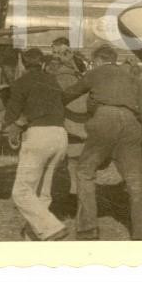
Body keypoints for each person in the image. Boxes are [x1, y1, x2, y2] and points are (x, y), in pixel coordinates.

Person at [60, 44, 142, 240]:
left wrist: (54, 102)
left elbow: (71, 93)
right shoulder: (133, 78)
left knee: (84, 172)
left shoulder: (96, 72)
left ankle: (88, 228)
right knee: (135, 180)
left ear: (99, 60)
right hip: (131, 122)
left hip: (105, 119)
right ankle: (141, 233)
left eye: (94, 62)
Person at [1, 47, 70, 241]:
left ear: (22, 62)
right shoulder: (52, 81)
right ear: (42, 62)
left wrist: (8, 127)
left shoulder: (21, 82)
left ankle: (52, 228)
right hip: (60, 135)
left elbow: (12, 115)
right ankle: (34, 237)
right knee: (42, 192)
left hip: (39, 136)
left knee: (21, 192)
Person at [45, 36, 88, 197]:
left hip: (73, 115)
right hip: (61, 115)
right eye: (54, 51)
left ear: (68, 49)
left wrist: (71, 62)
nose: (57, 54)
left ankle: (73, 190)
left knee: (74, 154)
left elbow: (83, 77)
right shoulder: (51, 65)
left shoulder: (76, 62)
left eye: (60, 51)